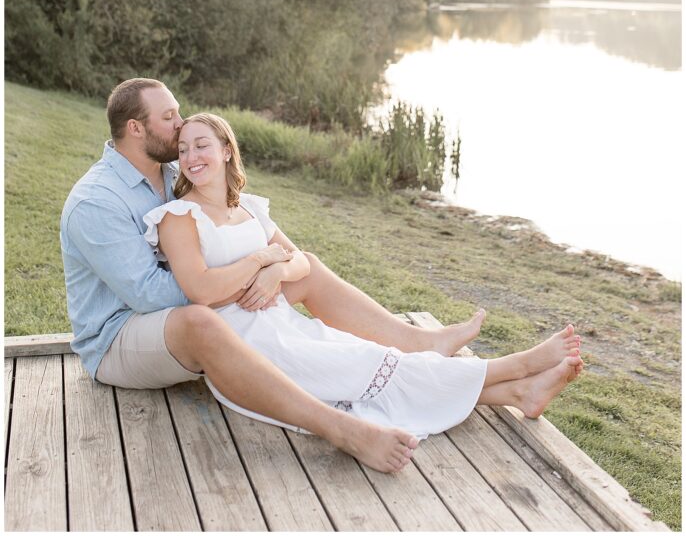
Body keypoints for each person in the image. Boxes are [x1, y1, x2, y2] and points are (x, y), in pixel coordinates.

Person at [60, 77, 491, 472]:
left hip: (192, 307)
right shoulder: (96, 201)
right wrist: (254, 270)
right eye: (169, 117)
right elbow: (151, 296)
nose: (180, 125)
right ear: (136, 129)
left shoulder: (172, 171)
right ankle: (343, 429)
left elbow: (247, 238)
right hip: (117, 339)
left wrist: (275, 268)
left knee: (307, 271)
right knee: (201, 322)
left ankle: (422, 343)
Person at [142, 110, 584, 440]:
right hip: (245, 342)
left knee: (370, 372)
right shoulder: (179, 215)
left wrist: (277, 267)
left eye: (201, 145)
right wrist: (260, 261)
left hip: (285, 325)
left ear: (225, 150)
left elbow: (301, 261)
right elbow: (199, 290)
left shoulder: (250, 207)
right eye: (182, 150)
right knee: (371, 365)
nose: (190, 156)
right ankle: (516, 367)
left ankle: (516, 394)